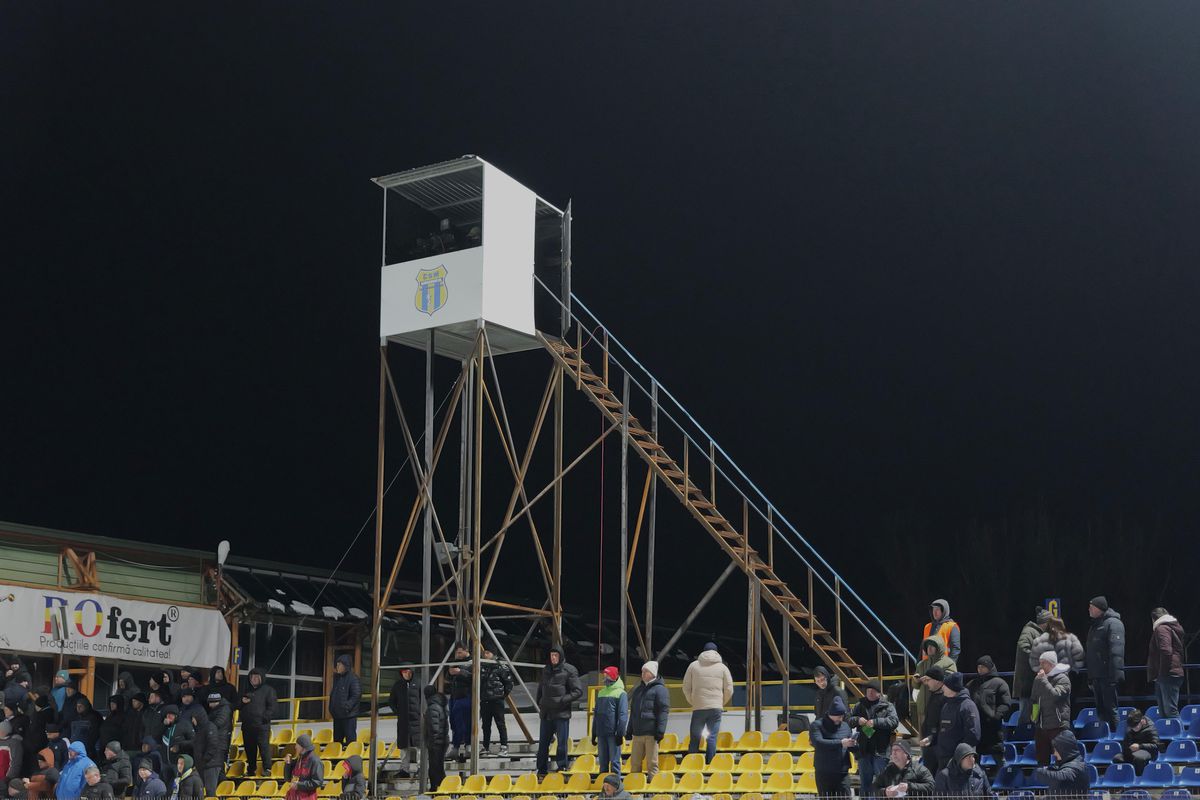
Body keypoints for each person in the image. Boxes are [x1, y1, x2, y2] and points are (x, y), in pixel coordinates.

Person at [682, 642, 733, 764]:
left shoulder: (693, 666)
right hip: (715, 708)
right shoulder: (723, 668)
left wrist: (693, 701)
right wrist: (721, 702)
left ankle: (692, 763)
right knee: (712, 737)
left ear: (703, 652)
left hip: (698, 708)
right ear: (716, 652)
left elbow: (686, 687)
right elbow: (729, 688)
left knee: (695, 737)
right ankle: (710, 764)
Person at [534, 646, 581, 778]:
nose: (553, 658)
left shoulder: (569, 670)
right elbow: (540, 688)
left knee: (561, 743)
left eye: (556, 655)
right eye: (551, 655)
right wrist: (540, 701)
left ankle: (562, 766)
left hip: (561, 713)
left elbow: (577, 691)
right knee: (543, 744)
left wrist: (562, 700)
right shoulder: (546, 670)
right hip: (546, 713)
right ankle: (541, 769)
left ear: (560, 656)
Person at [925, 672, 980, 779]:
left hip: (958, 761)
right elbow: (943, 729)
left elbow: (973, 735)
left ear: (952, 688)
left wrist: (960, 756)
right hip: (943, 758)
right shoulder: (946, 705)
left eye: (945, 685)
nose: (942, 687)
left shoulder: (968, 706)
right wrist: (932, 738)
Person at [850, 680, 898, 796]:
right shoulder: (859, 705)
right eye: (868, 691)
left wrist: (876, 722)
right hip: (864, 751)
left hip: (880, 752)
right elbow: (848, 719)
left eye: (873, 691)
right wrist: (857, 720)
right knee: (865, 784)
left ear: (879, 693)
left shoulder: (887, 706)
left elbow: (894, 721)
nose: (870, 693)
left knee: (882, 784)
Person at [1085, 596, 1125, 730]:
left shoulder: (1113, 623)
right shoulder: (1095, 625)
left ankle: (1117, 738)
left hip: (1108, 675)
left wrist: (1115, 675)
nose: (1089, 609)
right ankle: (1104, 736)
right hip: (1096, 675)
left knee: (1111, 708)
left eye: (1092, 606)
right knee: (1101, 710)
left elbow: (1116, 651)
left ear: (1099, 608)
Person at [627, 661, 669, 778]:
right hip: (637, 733)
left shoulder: (660, 690)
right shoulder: (638, 690)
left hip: (651, 733)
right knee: (634, 763)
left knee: (652, 764)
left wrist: (660, 730)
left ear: (653, 673)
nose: (643, 673)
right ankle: (635, 787)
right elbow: (633, 712)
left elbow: (663, 711)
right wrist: (629, 729)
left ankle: (653, 790)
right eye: (642, 671)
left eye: (646, 671)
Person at [969, 656, 1012, 768]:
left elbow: (1005, 703)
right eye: (978, 667)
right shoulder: (972, 684)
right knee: (974, 759)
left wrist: (996, 716)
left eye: (983, 667)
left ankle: (1004, 781)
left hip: (993, 728)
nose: (980, 669)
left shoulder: (999, 683)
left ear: (989, 667)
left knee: (998, 757)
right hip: (976, 727)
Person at [1030, 650, 1071, 766]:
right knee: (1042, 759)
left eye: (1044, 663)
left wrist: (1043, 680)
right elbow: (1034, 699)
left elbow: (1055, 695)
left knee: (1061, 758)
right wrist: (1034, 716)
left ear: (1052, 664)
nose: (1041, 666)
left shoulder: (1063, 679)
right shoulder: (1038, 679)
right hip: (1041, 725)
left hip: (1058, 725)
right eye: (1040, 662)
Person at [809, 695, 853, 797]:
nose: (841, 719)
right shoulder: (817, 725)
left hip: (842, 771)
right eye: (839, 716)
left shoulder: (845, 726)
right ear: (830, 714)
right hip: (824, 771)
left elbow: (849, 745)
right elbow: (818, 743)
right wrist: (841, 743)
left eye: (842, 716)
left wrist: (853, 744)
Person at [1148, 607, 1185, 719]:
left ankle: (1179, 735)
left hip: (1168, 673)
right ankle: (1169, 735)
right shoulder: (1172, 627)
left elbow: (1166, 651)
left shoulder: (1162, 628)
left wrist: (1161, 672)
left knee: (1170, 711)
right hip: (1172, 672)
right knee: (1165, 712)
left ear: (1154, 619)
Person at [913, 637, 956, 735]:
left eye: (932, 646)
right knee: (923, 736)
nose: (929, 648)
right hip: (923, 706)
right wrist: (916, 680)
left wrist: (931, 680)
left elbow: (951, 681)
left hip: (940, 705)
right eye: (927, 646)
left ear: (939, 647)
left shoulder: (949, 663)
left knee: (939, 734)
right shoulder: (921, 664)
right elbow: (915, 686)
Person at [591, 667, 628, 777]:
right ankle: (604, 786)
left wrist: (620, 734)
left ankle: (616, 786)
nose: (604, 678)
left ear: (613, 676)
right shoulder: (601, 692)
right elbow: (596, 715)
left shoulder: (621, 693)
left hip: (613, 734)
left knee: (615, 762)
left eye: (607, 675)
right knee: (603, 763)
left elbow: (623, 715)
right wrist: (594, 733)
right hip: (601, 733)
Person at [240, 668, 276, 777]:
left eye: (256, 677)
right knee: (249, 749)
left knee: (263, 747)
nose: (254, 679)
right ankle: (251, 769)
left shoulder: (268, 690)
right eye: (252, 677)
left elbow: (273, 707)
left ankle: (267, 769)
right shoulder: (246, 691)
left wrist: (264, 717)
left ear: (261, 678)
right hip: (247, 726)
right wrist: (241, 702)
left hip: (261, 726)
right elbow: (237, 705)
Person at [479, 649, 513, 756]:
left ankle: (504, 746)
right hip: (485, 700)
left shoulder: (500, 666)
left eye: (488, 653)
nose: (485, 655)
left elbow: (508, 682)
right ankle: (485, 746)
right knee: (485, 725)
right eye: (484, 653)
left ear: (493, 654)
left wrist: (502, 695)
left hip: (497, 700)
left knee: (500, 723)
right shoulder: (482, 665)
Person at [1035, 730, 1090, 795]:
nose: (1054, 754)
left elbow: (1061, 777)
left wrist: (1041, 772)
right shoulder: (1064, 763)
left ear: (1064, 750)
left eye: (1056, 750)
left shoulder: (1079, 766)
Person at [387, 667, 420, 773]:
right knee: (404, 746)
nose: (407, 674)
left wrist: (421, 713)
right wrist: (398, 712)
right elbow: (391, 701)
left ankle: (421, 768)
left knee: (419, 745)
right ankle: (404, 769)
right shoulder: (397, 685)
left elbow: (424, 700)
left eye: (409, 672)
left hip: (417, 721)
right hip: (403, 721)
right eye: (404, 672)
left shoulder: (419, 683)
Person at [916, 666, 947, 770]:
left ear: (938, 681)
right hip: (929, 744)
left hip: (939, 745)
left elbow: (944, 723)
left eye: (928, 680)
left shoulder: (945, 697)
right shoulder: (934, 694)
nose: (926, 683)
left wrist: (933, 736)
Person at [187, 706, 222, 797]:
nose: (192, 721)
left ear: (198, 717)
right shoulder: (199, 730)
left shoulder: (210, 727)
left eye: (193, 718)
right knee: (202, 791)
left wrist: (204, 759)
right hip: (203, 765)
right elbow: (195, 744)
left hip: (211, 764)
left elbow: (213, 745)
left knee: (210, 791)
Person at [1112, 708, 1159, 773]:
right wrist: (1127, 751)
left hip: (1148, 751)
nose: (1133, 729)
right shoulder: (1131, 725)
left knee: (1138, 757)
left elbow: (1155, 746)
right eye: (1132, 727)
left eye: (1135, 726)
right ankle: (1124, 776)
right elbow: (1126, 743)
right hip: (1133, 750)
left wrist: (1140, 746)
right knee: (1117, 758)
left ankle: (1139, 776)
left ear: (1142, 721)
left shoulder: (1151, 728)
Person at [445, 644, 472, 761]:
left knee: (466, 722)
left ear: (466, 651)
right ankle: (456, 747)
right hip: (454, 696)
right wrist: (450, 673)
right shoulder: (455, 662)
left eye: (460, 652)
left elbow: (475, 677)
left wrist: (460, 672)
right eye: (457, 653)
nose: (458, 655)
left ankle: (467, 746)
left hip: (466, 696)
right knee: (454, 722)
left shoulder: (472, 662)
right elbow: (448, 678)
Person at [328, 656, 361, 748]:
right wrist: (332, 708)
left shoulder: (353, 678)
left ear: (346, 666)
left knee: (351, 742)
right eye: (337, 664)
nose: (337, 667)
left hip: (349, 716)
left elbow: (356, 695)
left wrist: (346, 707)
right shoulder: (337, 679)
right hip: (337, 716)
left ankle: (351, 761)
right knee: (336, 743)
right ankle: (337, 761)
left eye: (339, 665)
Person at [422, 686, 448, 793]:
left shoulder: (432, 707)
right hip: (442, 741)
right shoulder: (440, 705)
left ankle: (436, 788)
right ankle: (440, 787)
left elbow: (434, 727)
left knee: (435, 767)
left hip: (436, 742)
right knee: (438, 767)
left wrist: (431, 742)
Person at [283, 735, 323, 800]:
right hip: (294, 796)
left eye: (297, 745)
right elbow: (287, 779)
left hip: (307, 797)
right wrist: (288, 764)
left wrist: (299, 785)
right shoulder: (298, 759)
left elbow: (317, 782)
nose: (295, 747)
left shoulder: (315, 761)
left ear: (303, 747)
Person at [204, 693, 232, 765]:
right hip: (217, 738)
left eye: (210, 702)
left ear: (215, 702)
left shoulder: (224, 709)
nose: (209, 705)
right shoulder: (216, 709)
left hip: (221, 739)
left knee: (220, 763)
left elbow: (219, 722)